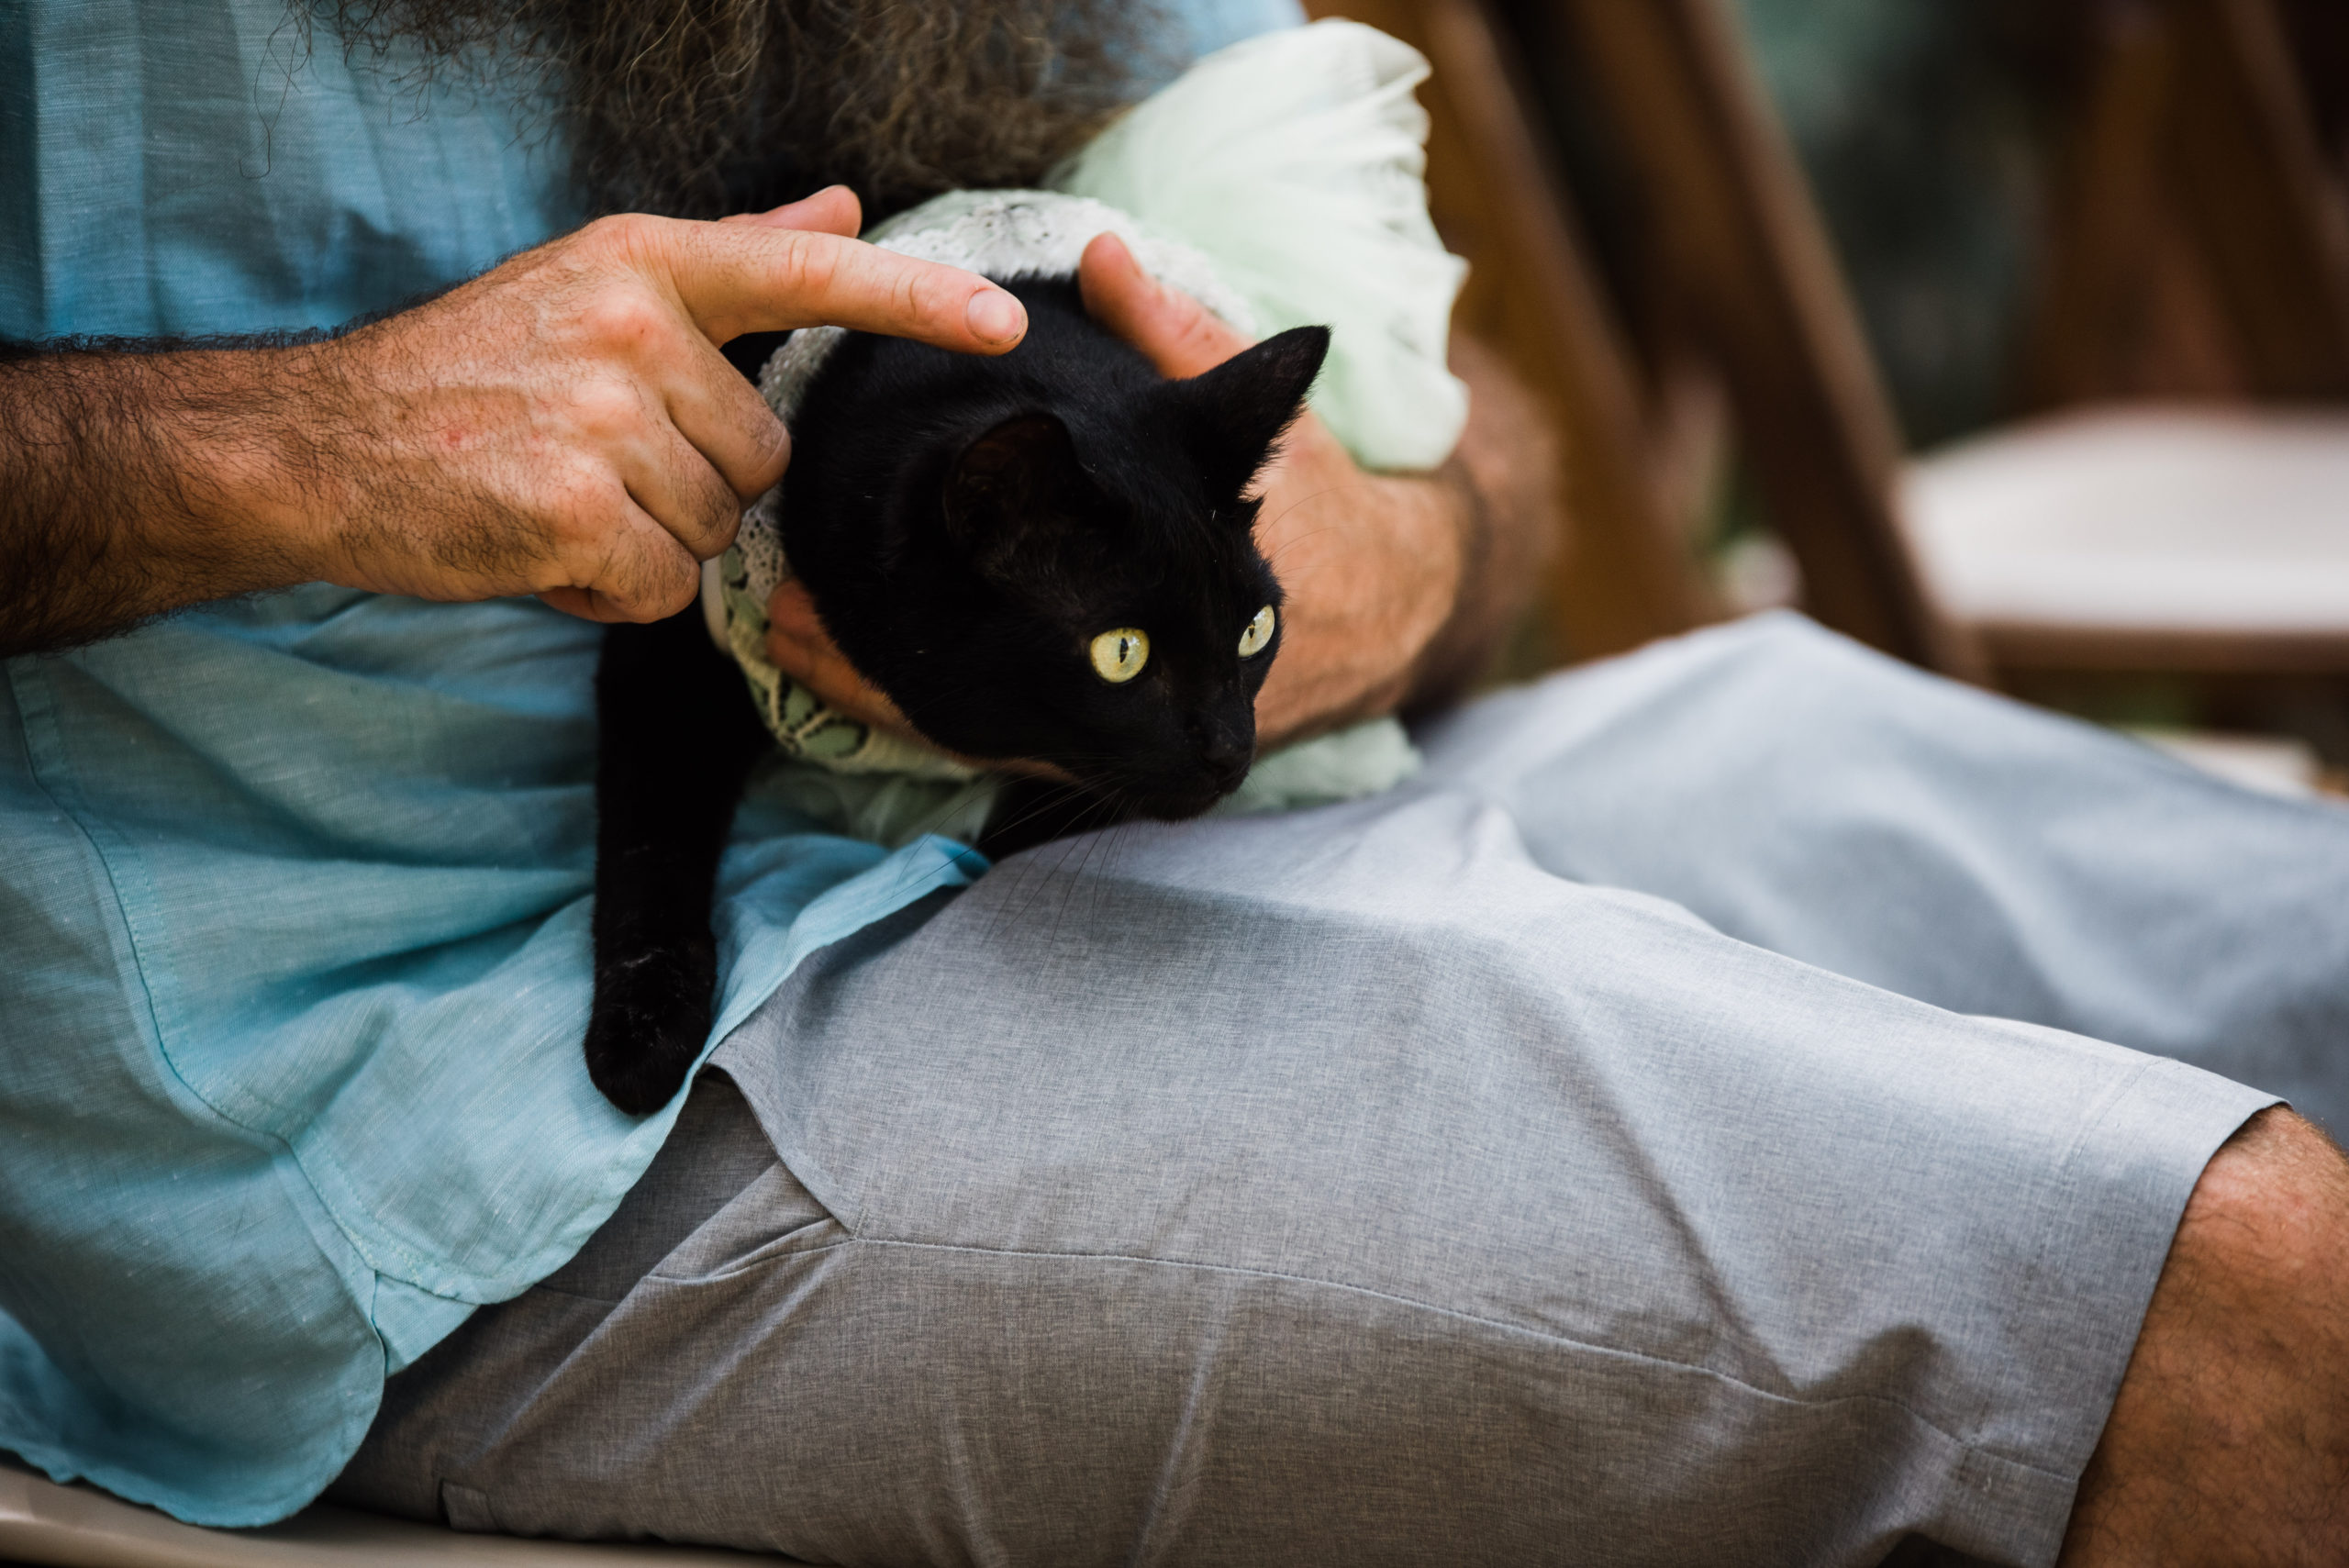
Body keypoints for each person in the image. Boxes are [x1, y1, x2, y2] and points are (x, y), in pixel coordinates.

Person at [3, 3, 2346, 1563]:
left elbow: (1475, 434)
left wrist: (1395, 544)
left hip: (1179, 773)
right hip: (444, 1087)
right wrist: (262, 444)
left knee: (2293, 955)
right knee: (2209, 1281)